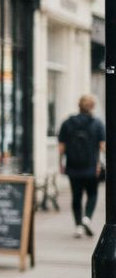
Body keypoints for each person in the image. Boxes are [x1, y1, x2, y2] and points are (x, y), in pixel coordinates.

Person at [57, 94, 106, 237]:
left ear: (79, 106)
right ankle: (87, 218)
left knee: (76, 196)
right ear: (92, 107)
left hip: (73, 167)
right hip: (91, 167)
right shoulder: (97, 124)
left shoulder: (67, 123)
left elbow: (61, 148)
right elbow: (103, 147)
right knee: (92, 194)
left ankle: (78, 225)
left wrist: (60, 163)